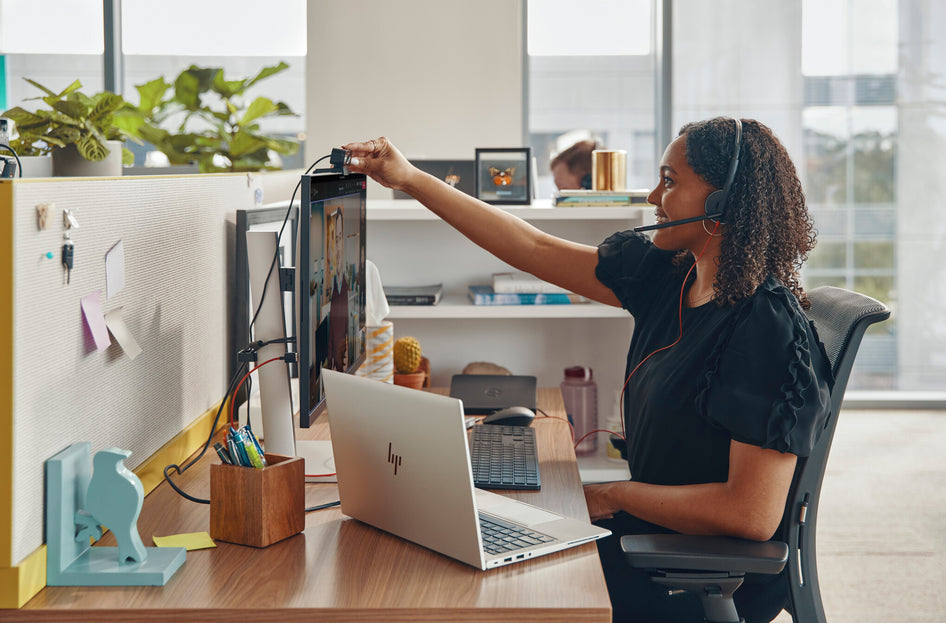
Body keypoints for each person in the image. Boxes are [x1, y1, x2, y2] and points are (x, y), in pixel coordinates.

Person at [342, 117, 833, 623]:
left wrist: (609, 494)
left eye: (669, 182)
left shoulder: (763, 326)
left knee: (482, 591)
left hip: (694, 570)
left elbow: (750, 515)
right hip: (648, 535)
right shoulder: (671, 278)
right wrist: (410, 179)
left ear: (721, 202)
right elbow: (532, 248)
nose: (651, 197)